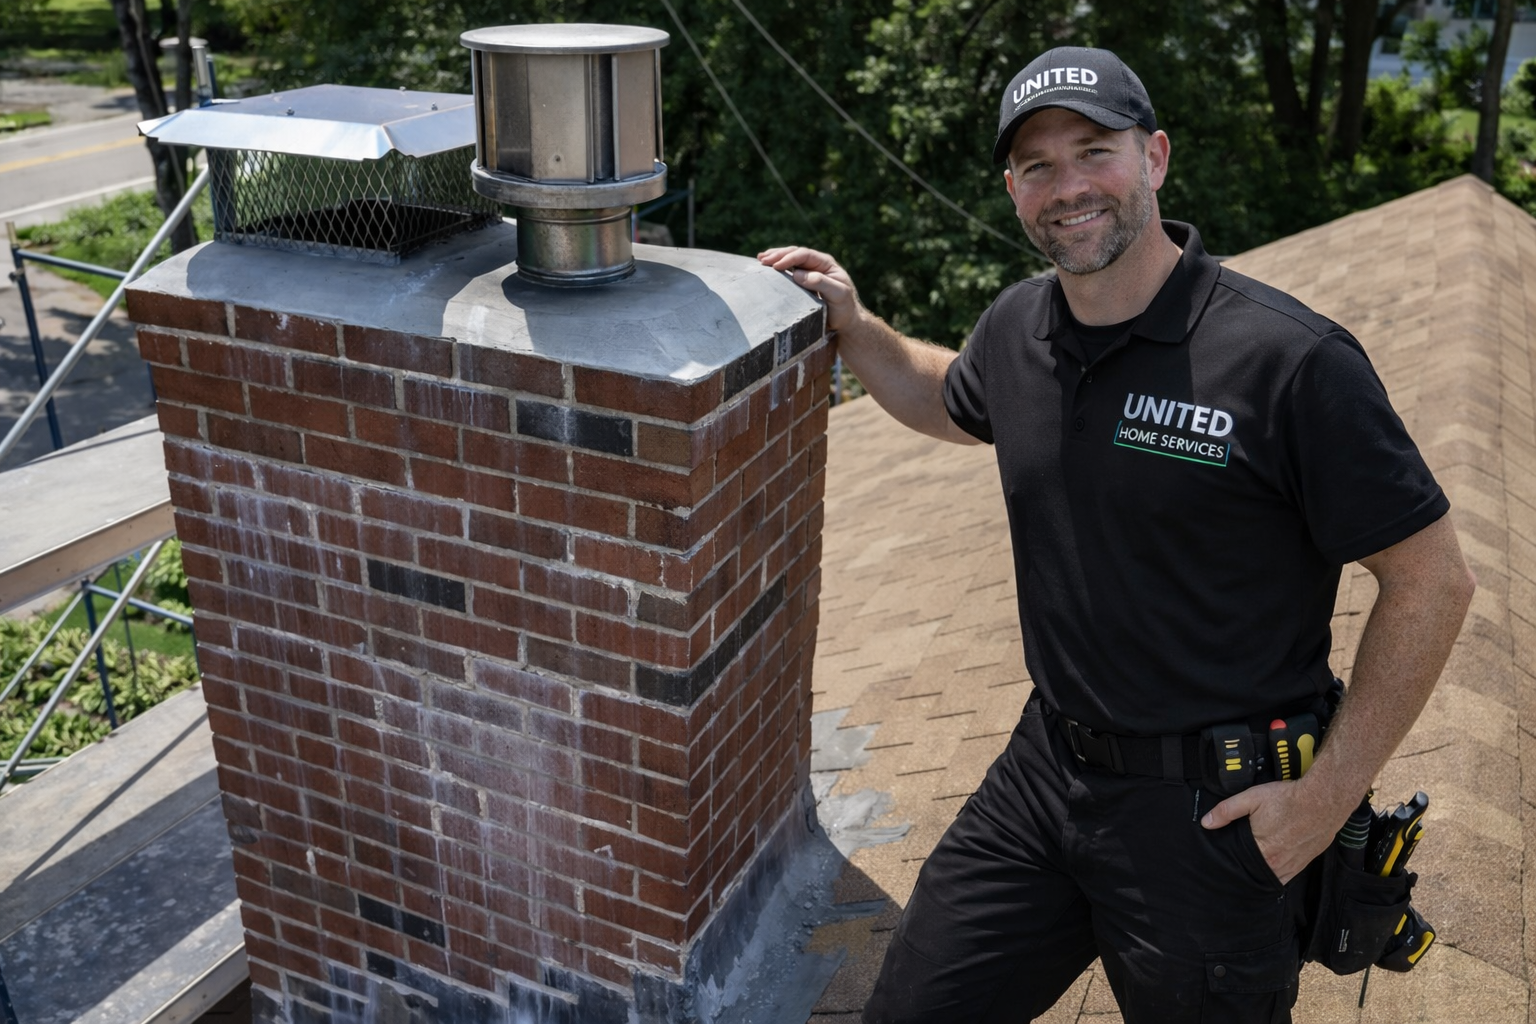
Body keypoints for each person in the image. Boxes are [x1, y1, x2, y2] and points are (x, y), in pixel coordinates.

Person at [759, 46, 1474, 1023]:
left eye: (1093, 151)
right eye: (1037, 167)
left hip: (1212, 820)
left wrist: (1319, 806)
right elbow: (946, 394)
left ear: (1156, 159)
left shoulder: (1288, 361)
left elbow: (1433, 580)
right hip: (1043, 779)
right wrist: (854, 322)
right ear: (1013, 191)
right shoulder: (1018, 328)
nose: (1068, 187)